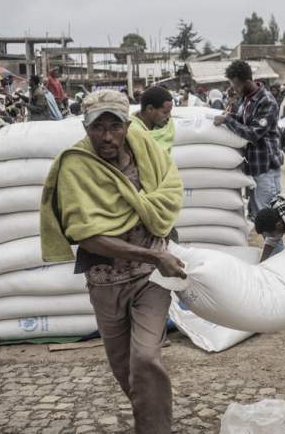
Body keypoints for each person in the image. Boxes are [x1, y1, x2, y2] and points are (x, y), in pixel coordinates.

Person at [40, 90, 185, 433]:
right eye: (98, 127)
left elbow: (169, 188)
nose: (107, 136)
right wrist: (153, 254)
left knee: (146, 358)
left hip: (151, 278)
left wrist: (156, 254)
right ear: (85, 127)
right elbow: (86, 235)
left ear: (127, 124)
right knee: (125, 369)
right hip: (106, 282)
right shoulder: (75, 165)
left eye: (115, 126)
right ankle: (148, 421)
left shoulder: (144, 150)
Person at [214, 60, 282, 220]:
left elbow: (253, 133)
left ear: (247, 81)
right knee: (256, 216)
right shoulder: (246, 98)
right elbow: (244, 120)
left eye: (236, 85)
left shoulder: (267, 101)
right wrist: (229, 116)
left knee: (268, 220)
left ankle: (276, 246)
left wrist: (227, 121)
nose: (234, 90)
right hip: (253, 168)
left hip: (266, 170)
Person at [253, 185, 285, 260]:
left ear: (278, 225)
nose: (271, 237)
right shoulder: (277, 214)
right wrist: (261, 263)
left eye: (271, 235)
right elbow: (270, 243)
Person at [131, 85, 175, 153]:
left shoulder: (167, 127)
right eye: (165, 112)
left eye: (169, 112)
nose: (169, 117)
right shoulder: (131, 131)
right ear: (150, 109)